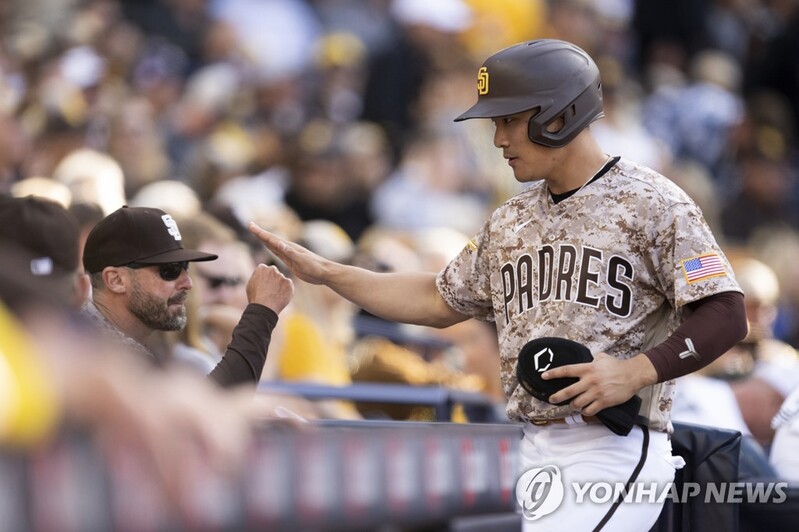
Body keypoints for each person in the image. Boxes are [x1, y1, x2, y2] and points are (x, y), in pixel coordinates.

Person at [249, 39, 747, 531]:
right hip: (534, 447)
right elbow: (437, 299)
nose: (498, 139)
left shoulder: (654, 201)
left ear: (561, 114)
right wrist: (331, 274)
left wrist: (638, 371)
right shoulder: (510, 220)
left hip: (612, 447)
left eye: (509, 120)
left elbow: (726, 313)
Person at [82, 205, 294, 388]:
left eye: (186, 267)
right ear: (116, 280)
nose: (187, 282)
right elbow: (211, 407)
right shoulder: (89, 344)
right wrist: (260, 314)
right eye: (170, 270)